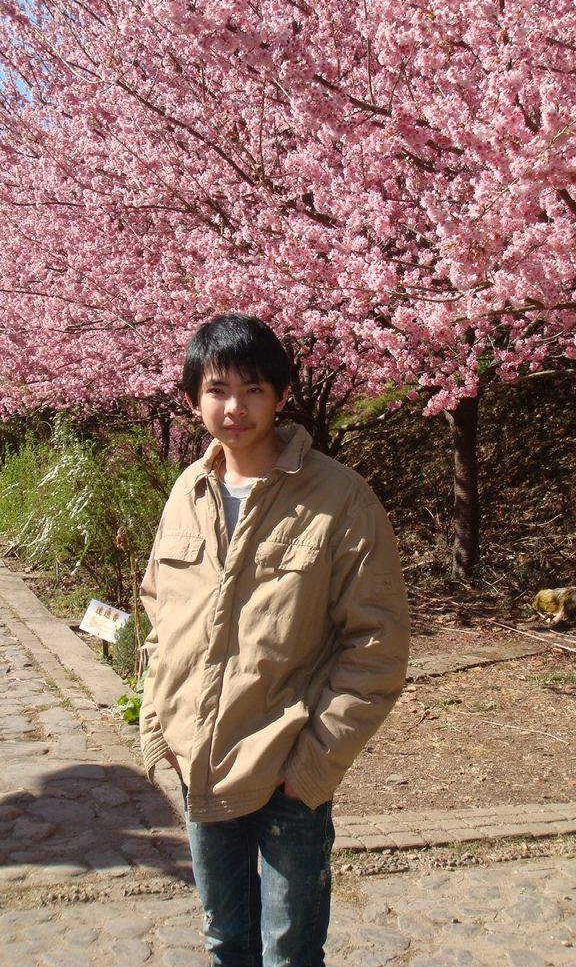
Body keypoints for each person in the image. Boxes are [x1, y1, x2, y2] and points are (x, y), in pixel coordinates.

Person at [139, 313, 410, 967]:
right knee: (225, 943)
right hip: (198, 766)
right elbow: (158, 616)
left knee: (290, 952)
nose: (235, 408)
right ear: (192, 399)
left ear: (283, 395)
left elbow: (377, 644)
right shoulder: (187, 492)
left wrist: (312, 763)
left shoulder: (339, 497)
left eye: (254, 389)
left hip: (288, 770)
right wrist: (158, 727)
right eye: (218, 390)